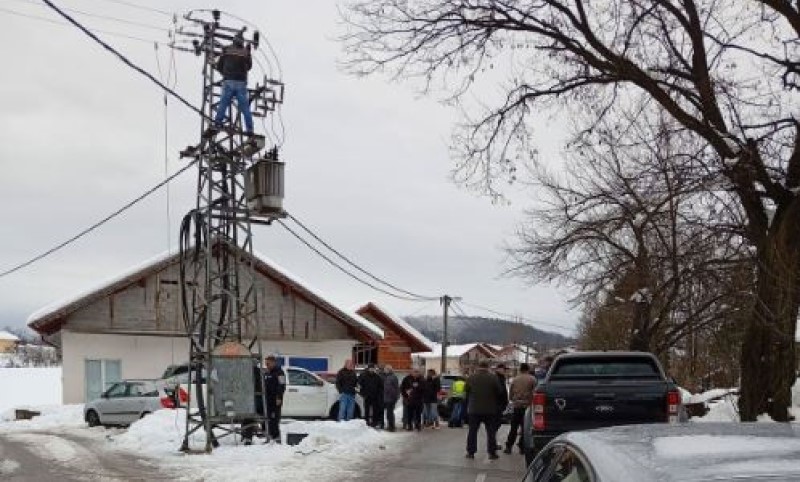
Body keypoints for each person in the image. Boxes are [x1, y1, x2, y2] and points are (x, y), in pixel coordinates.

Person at [208, 33, 254, 136]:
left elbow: (219, 66)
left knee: (223, 104)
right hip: (241, 83)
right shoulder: (245, 52)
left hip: (228, 81)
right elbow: (249, 66)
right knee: (245, 108)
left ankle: (217, 124)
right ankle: (250, 129)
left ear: (234, 40)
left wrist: (225, 74)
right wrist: (248, 53)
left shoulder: (226, 49)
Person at [464, 360, 505, 459]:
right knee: (491, 432)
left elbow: (466, 391)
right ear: (488, 367)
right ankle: (492, 453)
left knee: (472, 431)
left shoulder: (471, 377)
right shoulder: (493, 378)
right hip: (490, 409)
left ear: (478, 366)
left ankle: (470, 452)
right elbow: (500, 391)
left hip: (474, 409)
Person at [504, 363, 536, 454]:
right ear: (528, 369)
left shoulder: (515, 379)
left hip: (517, 406)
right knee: (525, 428)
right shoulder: (532, 379)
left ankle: (508, 446)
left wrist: (513, 400)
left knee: (514, 427)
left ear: (520, 369)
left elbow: (510, 395)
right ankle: (522, 447)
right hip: (527, 407)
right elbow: (535, 392)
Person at [263, 355, 286, 443]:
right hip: (268, 399)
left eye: (268, 363)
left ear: (273, 362)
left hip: (276, 399)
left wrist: (279, 397)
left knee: (274, 418)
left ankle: (276, 437)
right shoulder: (267, 373)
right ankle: (270, 436)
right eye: (266, 364)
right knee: (269, 419)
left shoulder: (280, 372)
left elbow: (282, 385)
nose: (267, 365)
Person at [358, 363, 384, 427]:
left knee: (375, 410)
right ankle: (366, 422)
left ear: (374, 369)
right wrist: (362, 394)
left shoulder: (377, 377)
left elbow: (381, 387)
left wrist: (378, 394)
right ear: (368, 368)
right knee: (366, 410)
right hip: (367, 396)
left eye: (372, 368)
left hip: (375, 397)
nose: (371, 369)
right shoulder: (363, 376)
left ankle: (374, 422)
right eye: (370, 368)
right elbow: (359, 385)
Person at [491, 364, 509, 453]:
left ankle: (493, 441)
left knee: (496, 424)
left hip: (499, 404)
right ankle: (493, 442)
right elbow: (500, 392)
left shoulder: (501, 377)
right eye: (503, 369)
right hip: (496, 404)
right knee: (495, 424)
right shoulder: (497, 378)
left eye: (505, 369)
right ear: (498, 369)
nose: (504, 371)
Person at [381, 365, 400, 431]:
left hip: (391, 398)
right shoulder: (386, 377)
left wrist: (396, 396)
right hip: (386, 398)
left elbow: (397, 387)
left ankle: (391, 427)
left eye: (385, 369)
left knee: (390, 413)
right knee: (389, 413)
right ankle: (390, 425)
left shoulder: (393, 377)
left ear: (389, 370)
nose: (384, 370)